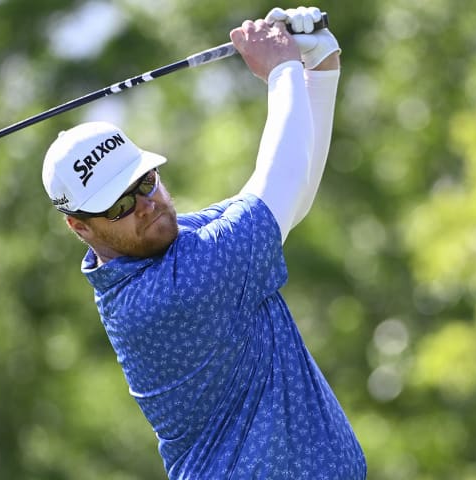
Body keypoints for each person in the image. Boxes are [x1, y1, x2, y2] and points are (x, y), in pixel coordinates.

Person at [41, 6, 366, 479]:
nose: (145, 206)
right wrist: (282, 70)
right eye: (118, 206)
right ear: (80, 228)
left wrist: (318, 69)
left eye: (145, 182)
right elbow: (276, 189)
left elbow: (288, 199)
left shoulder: (181, 241)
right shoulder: (166, 296)